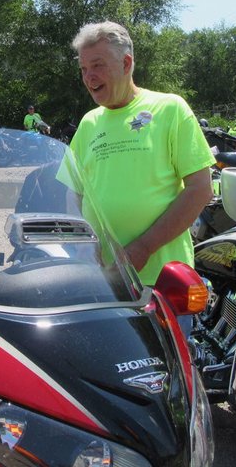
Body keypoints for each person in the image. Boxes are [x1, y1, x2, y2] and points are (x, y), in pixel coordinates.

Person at [68, 21, 215, 292]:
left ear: (126, 64)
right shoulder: (89, 122)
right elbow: (71, 193)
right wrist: (82, 245)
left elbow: (200, 189)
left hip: (163, 281)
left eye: (98, 65)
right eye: (83, 69)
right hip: (101, 280)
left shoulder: (170, 108)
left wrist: (143, 248)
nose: (89, 77)